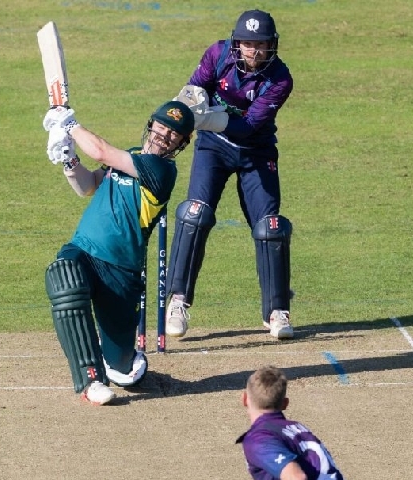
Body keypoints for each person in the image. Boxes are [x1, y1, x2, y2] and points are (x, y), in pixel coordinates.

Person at [41, 100, 195, 405]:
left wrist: (69, 124)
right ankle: (90, 381)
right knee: (65, 279)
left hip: (121, 272)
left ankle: (124, 363)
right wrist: (69, 161)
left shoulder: (161, 171)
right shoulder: (132, 155)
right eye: (162, 126)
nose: (164, 135)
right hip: (84, 250)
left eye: (174, 133)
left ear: (181, 144)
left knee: (123, 370)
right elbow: (88, 186)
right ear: (151, 125)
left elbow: (99, 150)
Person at [165, 9, 296, 340]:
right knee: (194, 214)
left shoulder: (280, 79)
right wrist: (184, 112)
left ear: (271, 46)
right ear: (237, 43)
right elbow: (195, 90)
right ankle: (177, 301)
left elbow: (249, 125)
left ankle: (277, 312)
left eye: (261, 45)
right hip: (213, 148)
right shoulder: (216, 54)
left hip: (256, 150)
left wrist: (206, 118)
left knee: (271, 228)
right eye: (248, 44)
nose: (254, 51)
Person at [237, 366, 344, 480]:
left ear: (244, 399)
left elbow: (297, 477)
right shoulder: (296, 427)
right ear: (285, 403)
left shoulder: (258, 439)